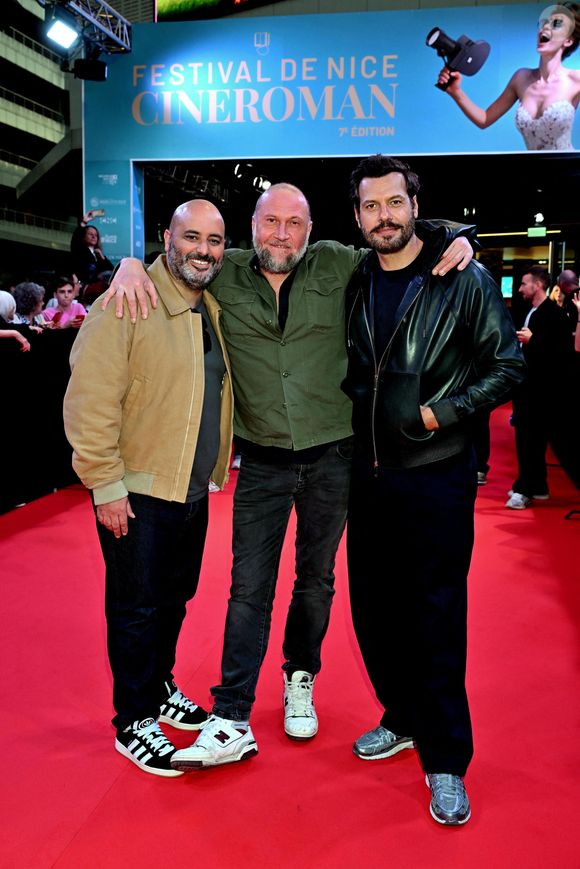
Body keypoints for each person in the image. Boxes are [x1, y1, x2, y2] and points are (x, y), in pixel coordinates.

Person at [106, 184, 475, 770]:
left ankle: (300, 675)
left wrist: (458, 237)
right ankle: (231, 714)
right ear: (252, 227)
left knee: (316, 578)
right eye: (271, 221)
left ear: (313, 227)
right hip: (263, 461)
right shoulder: (222, 270)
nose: (282, 234)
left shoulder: (338, 261)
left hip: (335, 457)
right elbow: (174, 260)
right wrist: (127, 264)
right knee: (248, 586)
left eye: (295, 223)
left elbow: (397, 237)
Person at [342, 154, 525, 825]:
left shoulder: (462, 275)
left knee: (436, 616)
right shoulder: (355, 276)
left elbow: (508, 365)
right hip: (369, 473)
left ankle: (446, 756)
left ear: (415, 203)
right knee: (374, 610)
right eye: (371, 206)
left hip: (438, 472)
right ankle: (402, 714)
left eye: (395, 202)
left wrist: (439, 413)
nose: (384, 216)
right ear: (357, 214)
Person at [63, 200, 234, 777]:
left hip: (189, 488)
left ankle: (158, 687)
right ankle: (133, 719)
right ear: (167, 238)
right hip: (136, 490)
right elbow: (88, 402)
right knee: (135, 609)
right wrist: (105, 485)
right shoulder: (125, 302)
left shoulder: (209, 306)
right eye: (191, 237)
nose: (203, 250)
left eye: (214, 240)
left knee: (173, 600)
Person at [438, 3, 580, 150]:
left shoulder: (576, 80)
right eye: (545, 23)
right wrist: (456, 92)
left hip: (569, 169)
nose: (545, 27)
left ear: (568, 41)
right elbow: (484, 119)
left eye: (556, 24)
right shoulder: (521, 78)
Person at [506, 266, 577, 509]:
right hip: (530, 389)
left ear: (537, 285)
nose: (520, 288)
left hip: (543, 392)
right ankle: (536, 487)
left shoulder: (554, 315)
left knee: (533, 442)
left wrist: (533, 340)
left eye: (524, 284)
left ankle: (526, 488)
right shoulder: (534, 312)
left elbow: (563, 354)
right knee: (530, 441)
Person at [70, 212, 114, 287]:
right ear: (83, 236)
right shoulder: (80, 250)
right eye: (90, 234)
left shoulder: (98, 255)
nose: (94, 237)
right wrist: (84, 222)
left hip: (97, 289)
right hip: (83, 288)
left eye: (96, 235)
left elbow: (110, 271)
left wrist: (102, 257)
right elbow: (75, 239)